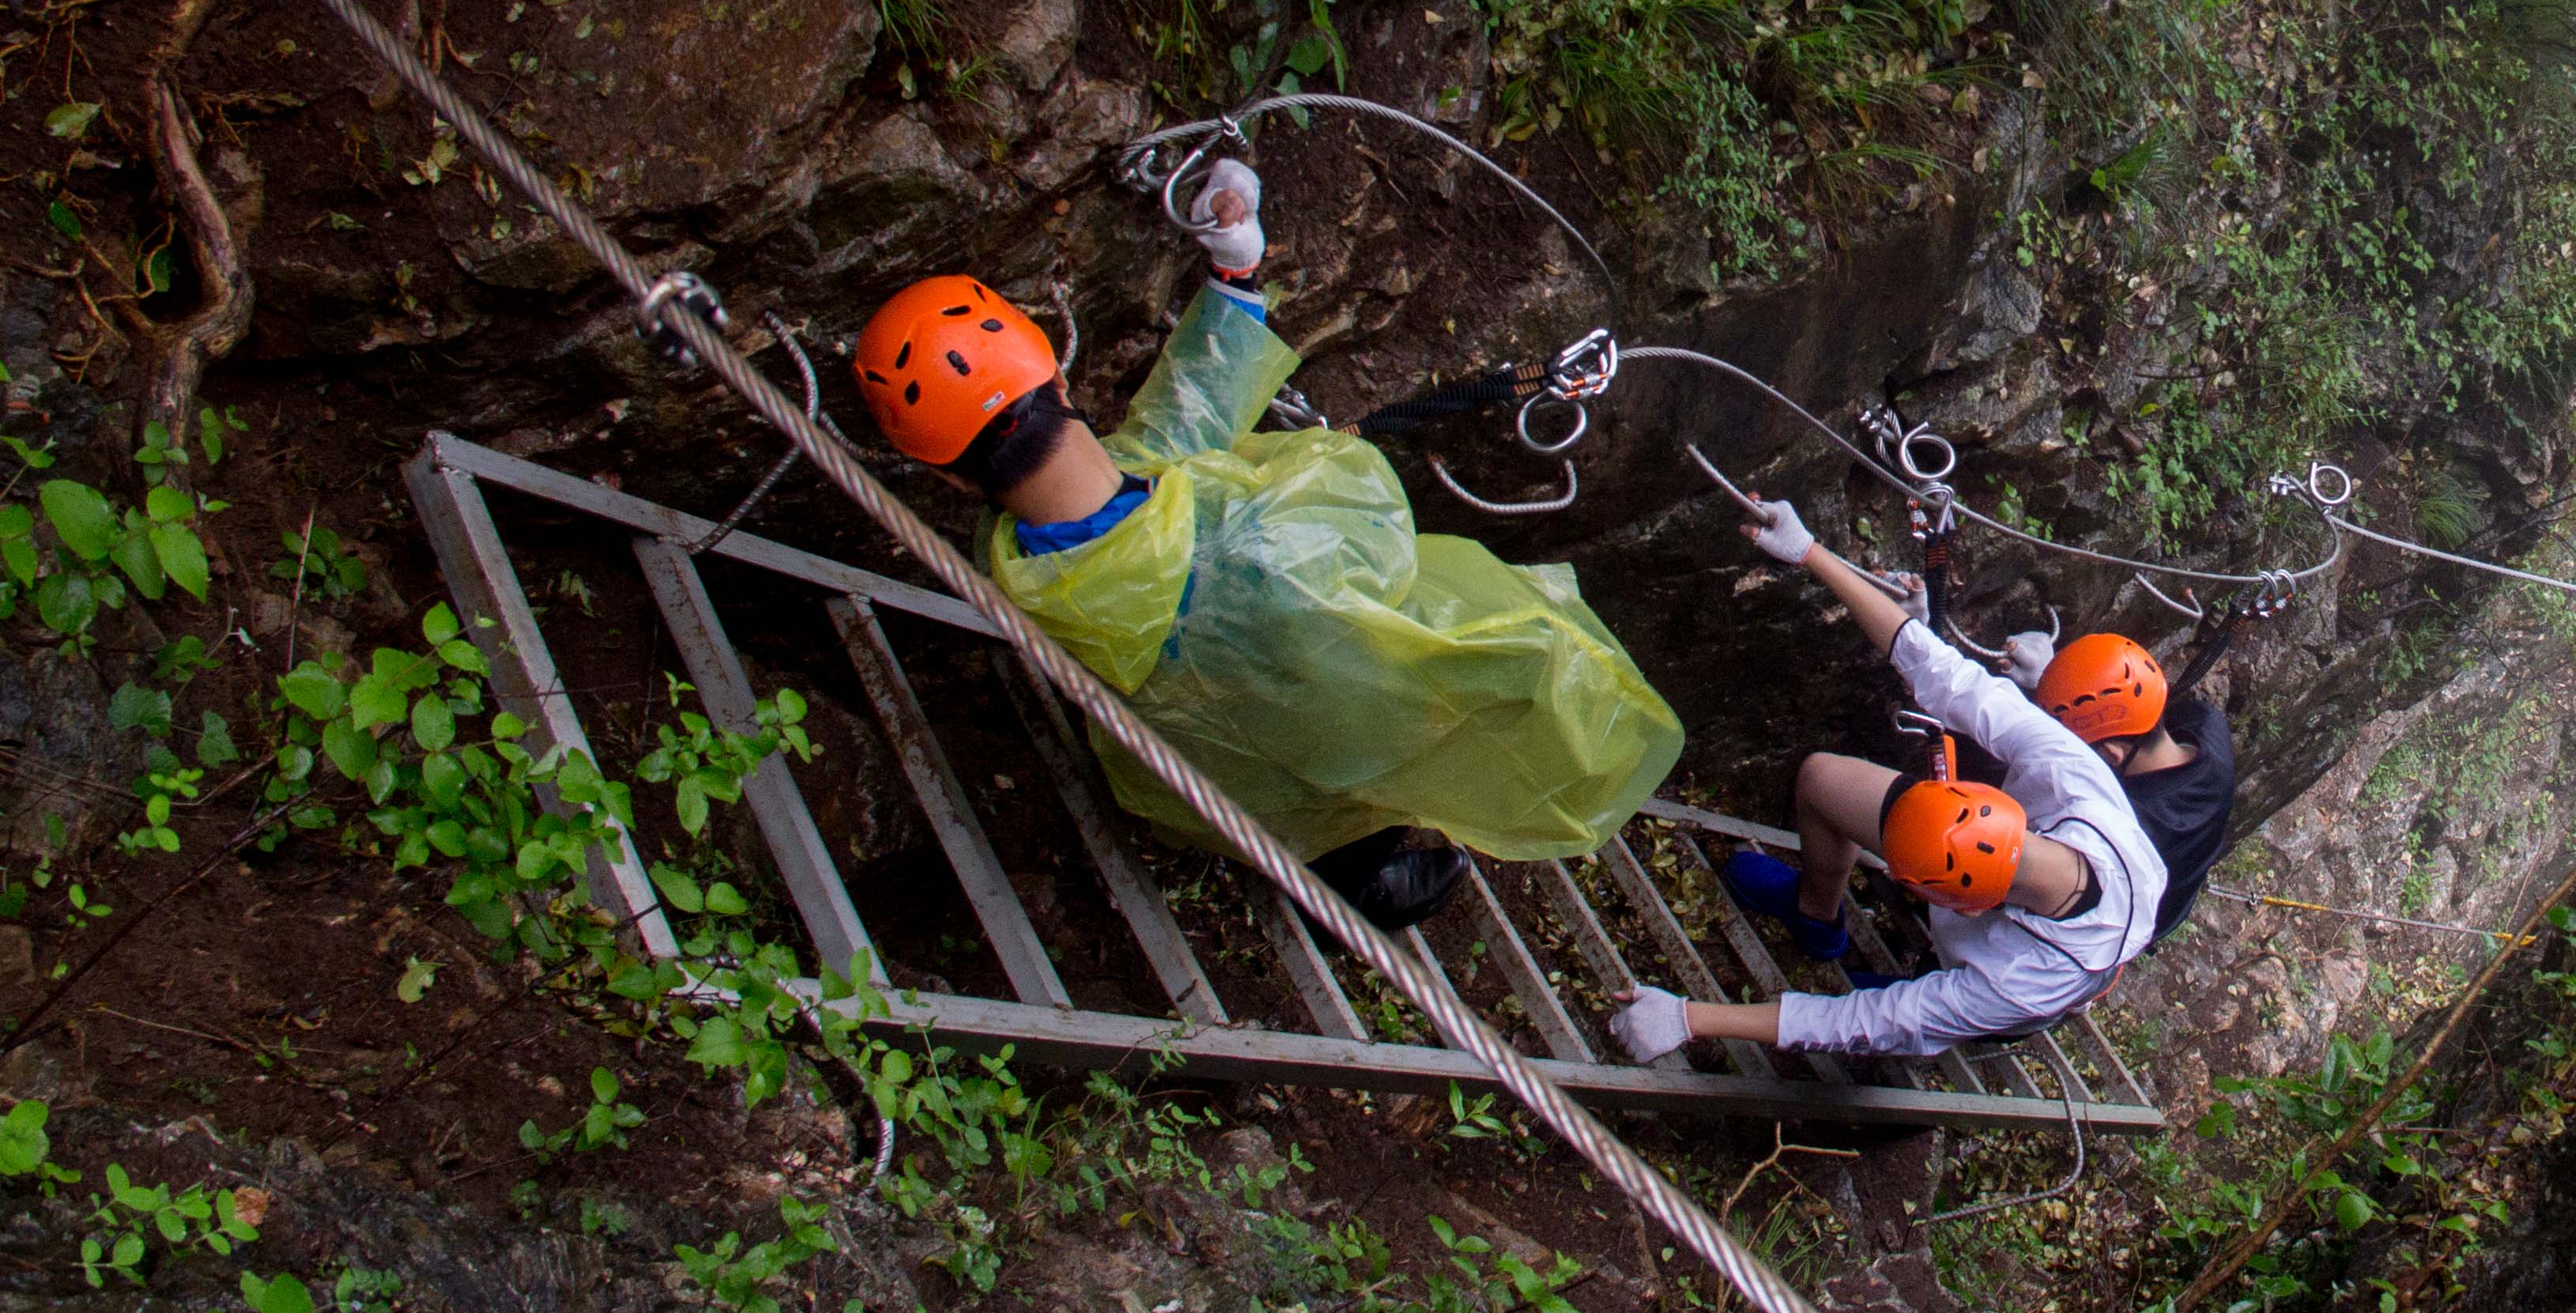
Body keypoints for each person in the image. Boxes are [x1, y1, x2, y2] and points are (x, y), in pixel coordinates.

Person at [850, 157, 1684, 929]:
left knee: (1287, 782)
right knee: (1352, 788)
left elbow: (1169, 438)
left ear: (951, 479)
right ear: (1057, 377)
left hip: (1180, 769)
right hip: (1313, 735)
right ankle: (1355, 890)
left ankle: (1333, 863)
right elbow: (1366, 556)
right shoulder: (1263, 548)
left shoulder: (1012, 566)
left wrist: (1234, 276)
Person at [1605, 495, 2163, 1066]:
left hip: (1989, 980)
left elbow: (1864, 1022)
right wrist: (1810, 553)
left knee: (1902, 1020)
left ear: (1967, 909)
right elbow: (1949, 677)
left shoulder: (2020, 982)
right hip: (1993, 901)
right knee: (1822, 780)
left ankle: (1927, 975)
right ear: (1986, 802)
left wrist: (1688, 1019)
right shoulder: (2076, 781)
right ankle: (1815, 916)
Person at [2002, 627, 2239, 945]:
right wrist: (2060, 687)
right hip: (2178, 886)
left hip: (2115, 925)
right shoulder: (2206, 726)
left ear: (2112, 755)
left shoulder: (2119, 826)